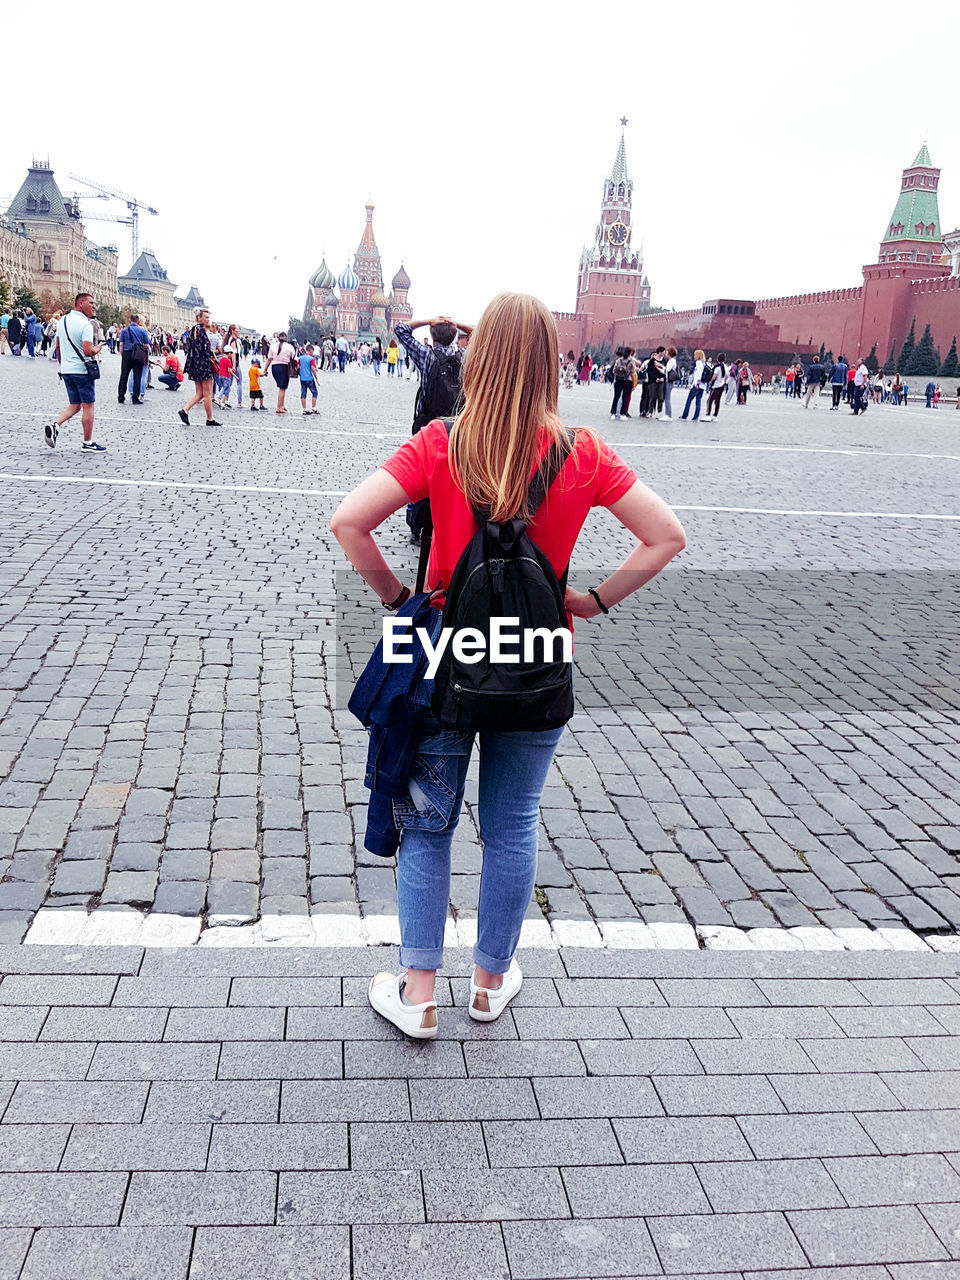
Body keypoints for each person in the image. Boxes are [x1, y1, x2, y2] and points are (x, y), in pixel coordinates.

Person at [330, 291, 686, 1038]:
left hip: (441, 659)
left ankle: (419, 992)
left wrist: (403, 597)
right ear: (551, 362)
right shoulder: (582, 450)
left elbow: (350, 522)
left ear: (481, 358)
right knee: (514, 823)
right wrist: (589, 601)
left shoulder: (441, 442)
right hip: (539, 659)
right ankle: (490, 983)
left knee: (429, 828)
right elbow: (666, 536)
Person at [43, 292, 106, 452]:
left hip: (66, 370)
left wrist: (63, 366)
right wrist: (96, 349)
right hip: (82, 371)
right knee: (88, 406)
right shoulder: (86, 324)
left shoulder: (63, 320)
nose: (93, 306)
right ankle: (88, 442)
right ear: (80, 304)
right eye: (90, 303)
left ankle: (55, 425)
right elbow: (87, 351)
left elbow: (57, 346)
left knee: (75, 405)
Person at [178, 307, 221, 427]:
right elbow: (204, 349)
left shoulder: (192, 330)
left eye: (208, 317)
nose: (208, 319)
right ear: (199, 318)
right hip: (203, 364)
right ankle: (210, 418)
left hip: (195, 364)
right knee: (207, 394)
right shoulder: (201, 331)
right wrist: (213, 354)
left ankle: (185, 410)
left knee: (200, 393)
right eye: (206, 317)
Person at [118, 312, 150, 405]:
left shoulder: (124, 330)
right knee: (137, 376)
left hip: (127, 353)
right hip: (138, 354)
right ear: (138, 321)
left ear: (130, 320)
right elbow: (146, 345)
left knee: (124, 375)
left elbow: (121, 344)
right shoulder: (143, 331)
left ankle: (121, 396)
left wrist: (122, 354)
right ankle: (135, 398)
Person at [264, 331, 296, 413]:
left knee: (282, 387)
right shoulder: (290, 347)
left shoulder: (273, 346)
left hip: (275, 367)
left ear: (278, 338)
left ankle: (282, 405)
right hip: (284, 367)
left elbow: (269, 359)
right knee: (282, 388)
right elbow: (293, 357)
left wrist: (265, 369)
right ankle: (279, 407)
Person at [680, 349, 708, 421]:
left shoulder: (698, 363)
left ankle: (685, 415)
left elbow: (699, 374)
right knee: (698, 401)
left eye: (695, 354)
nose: (694, 356)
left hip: (697, 385)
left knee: (689, 400)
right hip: (702, 386)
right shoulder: (703, 363)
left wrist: (697, 384)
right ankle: (696, 416)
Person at [609, 347, 634, 420]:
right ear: (630, 353)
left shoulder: (618, 360)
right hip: (627, 380)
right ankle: (623, 414)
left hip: (618, 380)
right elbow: (633, 372)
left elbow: (614, 371)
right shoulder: (631, 361)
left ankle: (613, 413)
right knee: (625, 397)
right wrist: (633, 382)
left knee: (616, 397)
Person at [223, 324, 244, 409]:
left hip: (232, 363)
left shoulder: (233, 339)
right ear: (233, 331)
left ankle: (224, 400)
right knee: (239, 381)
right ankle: (239, 402)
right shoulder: (233, 340)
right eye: (237, 329)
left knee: (229, 383)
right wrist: (234, 366)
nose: (239, 331)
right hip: (234, 363)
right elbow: (233, 354)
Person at [299, 344, 320, 414]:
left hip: (302, 378)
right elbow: (313, 369)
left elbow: (298, 367)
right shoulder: (311, 359)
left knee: (303, 393)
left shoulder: (301, 358)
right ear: (310, 351)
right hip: (310, 378)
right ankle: (313, 408)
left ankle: (304, 409)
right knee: (314, 392)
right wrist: (316, 378)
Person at [705, 353, 726, 419]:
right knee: (717, 401)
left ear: (717, 359)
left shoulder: (717, 367)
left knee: (710, 400)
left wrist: (710, 381)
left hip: (716, 386)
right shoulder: (725, 367)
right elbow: (726, 376)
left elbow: (714, 376)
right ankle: (715, 415)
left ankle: (708, 414)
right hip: (721, 385)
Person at [663, 346, 679, 418]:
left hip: (668, 381)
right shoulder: (672, 360)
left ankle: (668, 415)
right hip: (669, 381)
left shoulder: (671, 361)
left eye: (666, 352)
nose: (665, 353)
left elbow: (667, 369)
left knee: (667, 399)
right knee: (667, 398)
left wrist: (660, 366)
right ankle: (667, 414)